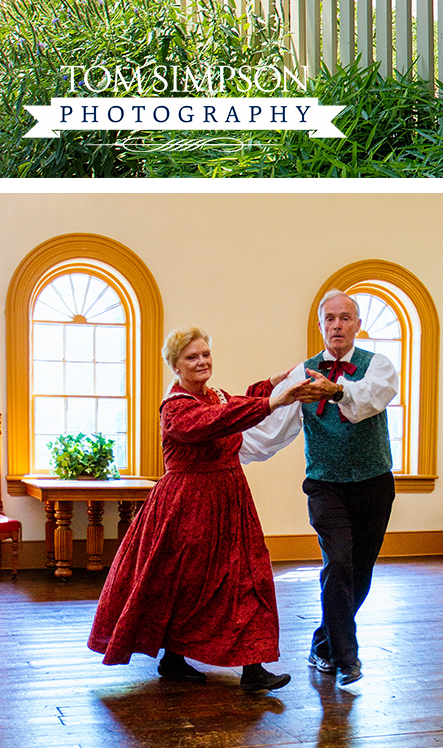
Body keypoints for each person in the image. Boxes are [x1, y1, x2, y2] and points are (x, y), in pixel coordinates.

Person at [88, 327, 333, 691]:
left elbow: (233, 403)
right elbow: (217, 421)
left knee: (247, 579)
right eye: (191, 357)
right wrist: (275, 401)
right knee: (185, 585)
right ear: (175, 365)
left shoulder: (213, 395)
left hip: (230, 498)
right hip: (188, 506)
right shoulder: (176, 407)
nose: (201, 361)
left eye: (205, 354)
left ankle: (253, 668)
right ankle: (174, 658)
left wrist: (273, 383)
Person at [240, 292, 398, 685]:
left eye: (345, 318)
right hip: (326, 485)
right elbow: (273, 430)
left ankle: (323, 644)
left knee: (359, 573)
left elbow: (372, 399)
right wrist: (226, 446)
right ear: (321, 326)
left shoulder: (376, 366)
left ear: (357, 325)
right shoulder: (305, 374)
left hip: (374, 483)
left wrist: (337, 391)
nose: (338, 325)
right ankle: (348, 658)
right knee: (338, 563)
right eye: (330, 319)